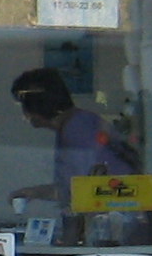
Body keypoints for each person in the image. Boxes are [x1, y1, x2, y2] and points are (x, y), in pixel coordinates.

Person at [10, 67, 139, 203]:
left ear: (36, 105)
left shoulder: (80, 130)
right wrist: (35, 192)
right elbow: (71, 189)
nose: (24, 114)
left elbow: (105, 186)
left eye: (24, 106)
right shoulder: (72, 125)